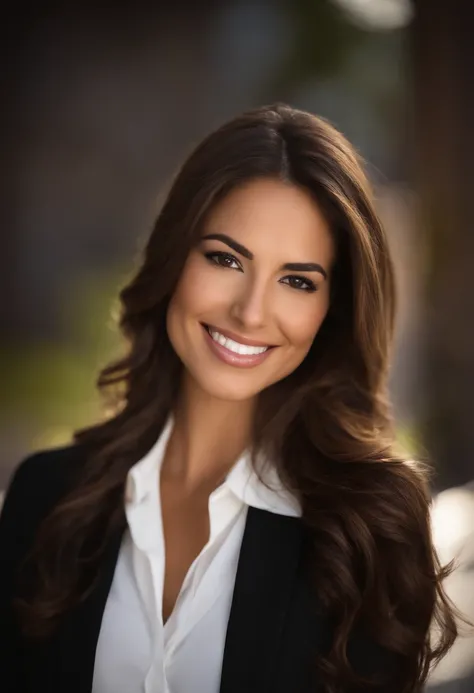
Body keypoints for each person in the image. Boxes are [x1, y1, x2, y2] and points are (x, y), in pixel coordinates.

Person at [0, 103, 458, 693]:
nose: (250, 312)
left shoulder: (371, 529)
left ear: (332, 309)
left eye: (297, 280)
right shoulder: (45, 498)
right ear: (173, 258)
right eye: (225, 258)